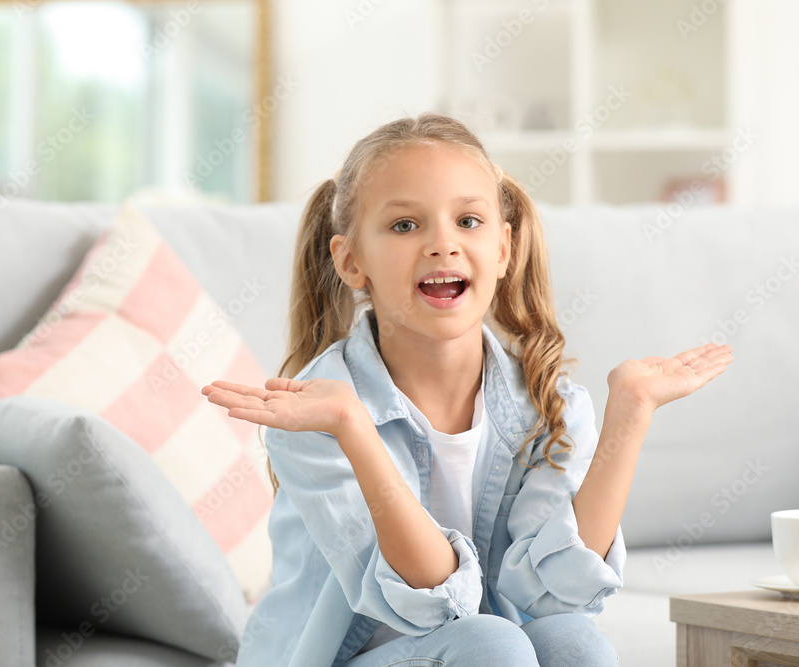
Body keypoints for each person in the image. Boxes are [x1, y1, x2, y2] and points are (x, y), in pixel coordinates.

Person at [201, 113, 732, 666]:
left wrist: (631, 413)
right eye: (405, 225)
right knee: (489, 642)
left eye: (468, 221)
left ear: (503, 249)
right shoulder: (318, 413)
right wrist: (355, 430)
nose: (442, 244)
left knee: (573, 641)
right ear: (351, 262)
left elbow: (559, 595)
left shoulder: (547, 401)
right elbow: (433, 604)